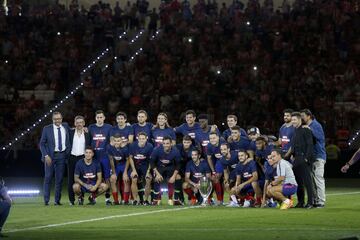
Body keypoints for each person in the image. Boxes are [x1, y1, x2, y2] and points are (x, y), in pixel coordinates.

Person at [39, 111, 70, 206]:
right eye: (55, 119)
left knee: (59, 179)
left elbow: (73, 130)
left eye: (59, 118)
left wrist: (83, 129)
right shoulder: (46, 129)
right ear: (52, 119)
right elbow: (42, 144)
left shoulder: (65, 126)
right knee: (48, 178)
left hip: (62, 156)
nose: (58, 120)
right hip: (50, 157)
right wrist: (46, 155)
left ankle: (57, 201)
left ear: (62, 119)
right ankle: (46, 201)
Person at [301, 109, 326, 208]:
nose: (302, 117)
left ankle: (321, 201)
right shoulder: (306, 126)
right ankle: (315, 200)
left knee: (318, 178)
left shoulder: (316, 125)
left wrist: (310, 130)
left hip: (318, 156)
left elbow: (321, 138)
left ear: (309, 116)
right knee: (310, 180)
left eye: (303, 115)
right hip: (310, 157)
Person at [289, 112, 315, 209]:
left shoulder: (306, 130)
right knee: (298, 182)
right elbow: (295, 145)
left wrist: (307, 158)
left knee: (307, 182)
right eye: (292, 120)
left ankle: (310, 203)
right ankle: (300, 202)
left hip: (304, 158)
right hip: (296, 159)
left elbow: (310, 145)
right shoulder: (295, 131)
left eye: (294, 119)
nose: (293, 122)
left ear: (300, 119)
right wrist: (293, 155)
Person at [88, 110, 113, 205]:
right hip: (94, 157)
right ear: (95, 118)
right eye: (97, 117)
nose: (99, 119)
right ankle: (93, 198)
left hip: (105, 157)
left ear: (104, 118)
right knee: (94, 178)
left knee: (107, 178)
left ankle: (107, 199)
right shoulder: (91, 127)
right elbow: (88, 141)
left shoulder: (109, 127)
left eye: (101, 117)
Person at [150, 136, 182, 205]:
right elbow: (152, 162)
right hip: (159, 167)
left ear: (171, 144)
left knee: (178, 177)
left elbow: (178, 165)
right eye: (164, 143)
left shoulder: (176, 151)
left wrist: (173, 176)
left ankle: (175, 199)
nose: (165, 145)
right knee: (156, 179)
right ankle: (156, 199)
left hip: (171, 167)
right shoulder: (156, 150)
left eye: (167, 143)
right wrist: (157, 174)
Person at [68, 115, 91, 206]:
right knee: (71, 180)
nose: (79, 124)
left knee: (82, 179)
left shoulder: (87, 133)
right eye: (77, 123)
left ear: (84, 123)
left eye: (81, 122)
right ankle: (71, 200)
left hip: (82, 158)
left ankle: (81, 198)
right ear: (74, 124)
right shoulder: (70, 132)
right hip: (72, 158)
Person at [128, 132, 154, 205]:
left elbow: (151, 160)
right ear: (137, 139)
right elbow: (130, 158)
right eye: (140, 139)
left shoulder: (150, 146)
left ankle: (146, 200)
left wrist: (148, 171)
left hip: (145, 165)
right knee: (134, 178)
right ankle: (135, 200)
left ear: (146, 139)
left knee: (148, 179)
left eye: (143, 139)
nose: (142, 140)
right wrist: (133, 170)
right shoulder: (133, 145)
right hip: (135, 165)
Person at [107, 134, 130, 205]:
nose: (117, 142)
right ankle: (116, 201)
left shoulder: (125, 149)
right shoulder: (109, 147)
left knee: (126, 180)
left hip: (124, 165)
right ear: (113, 141)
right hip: (116, 166)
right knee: (112, 180)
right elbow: (111, 160)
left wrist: (125, 172)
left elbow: (128, 160)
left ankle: (126, 201)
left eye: (118, 141)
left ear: (121, 141)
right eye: (115, 141)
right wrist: (113, 173)